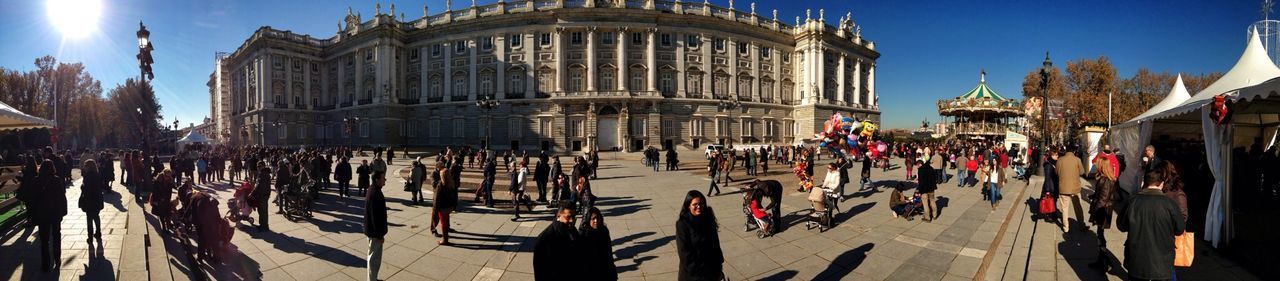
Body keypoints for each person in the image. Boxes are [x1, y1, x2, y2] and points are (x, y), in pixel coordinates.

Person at [1117, 169, 1185, 281]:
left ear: (1144, 182)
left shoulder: (1133, 201)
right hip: (1162, 261)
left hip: (1137, 259)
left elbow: (1121, 226)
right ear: (1161, 184)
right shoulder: (1169, 204)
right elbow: (1179, 229)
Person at [675, 190, 724, 281]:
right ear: (688, 206)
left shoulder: (708, 218)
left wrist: (719, 265)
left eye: (701, 203)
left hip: (711, 270)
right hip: (694, 274)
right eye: (695, 204)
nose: (699, 207)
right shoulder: (682, 224)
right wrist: (700, 271)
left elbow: (715, 244)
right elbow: (684, 253)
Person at [1088, 156, 1119, 272]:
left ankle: (1106, 262)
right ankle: (1101, 261)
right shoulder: (1106, 179)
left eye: (1097, 164)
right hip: (1104, 210)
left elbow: (1103, 199)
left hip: (1102, 211)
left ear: (1102, 166)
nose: (1095, 165)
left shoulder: (1105, 180)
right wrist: (1092, 196)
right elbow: (1102, 195)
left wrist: (1096, 213)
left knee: (1100, 237)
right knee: (1100, 235)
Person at [533, 205, 581, 281]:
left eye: (574, 217)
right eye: (568, 217)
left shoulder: (572, 230)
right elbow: (540, 269)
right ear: (558, 216)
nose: (572, 220)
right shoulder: (546, 238)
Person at [36, 160, 66, 272]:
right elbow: (62, 196)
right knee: (56, 236)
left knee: (44, 240)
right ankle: (57, 259)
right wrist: (63, 211)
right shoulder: (56, 180)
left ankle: (45, 263)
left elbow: (33, 199)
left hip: (42, 213)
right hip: (55, 213)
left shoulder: (37, 180)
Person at [579, 207, 617, 281]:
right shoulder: (583, 234)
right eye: (593, 219)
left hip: (604, 268)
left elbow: (608, 252)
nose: (596, 221)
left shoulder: (604, 231)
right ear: (589, 220)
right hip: (590, 269)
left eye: (598, 218)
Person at [364, 172, 389, 281]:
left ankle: (373, 278)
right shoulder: (375, 194)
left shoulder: (373, 190)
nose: (385, 179)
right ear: (377, 180)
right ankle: (372, 279)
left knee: (373, 257)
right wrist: (380, 235)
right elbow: (376, 217)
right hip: (375, 233)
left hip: (372, 231)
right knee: (374, 258)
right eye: (383, 178)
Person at [1056, 147, 1085, 233]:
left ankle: (1066, 227)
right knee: (1078, 207)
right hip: (1075, 188)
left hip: (1063, 188)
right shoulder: (1077, 160)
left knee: (1064, 209)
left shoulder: (1060, 160)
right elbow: (1082, 172)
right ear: (1073, 152)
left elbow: (1056, 172)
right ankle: (1081, 225)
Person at [79, 159, 105, 244]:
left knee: (89, 218)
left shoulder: (87, 176)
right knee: (96, 216)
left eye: (85, 166)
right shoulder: (97, 175)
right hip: (97, 199)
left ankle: (90, 237)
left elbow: (86, 189)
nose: (84, 167)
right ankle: (98, 232)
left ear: (88, 167)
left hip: (89, 200)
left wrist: (82, 187)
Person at [431, 162, 457, 244]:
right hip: (449, 206)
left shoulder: (440, 185)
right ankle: (444, 236)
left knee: (443, 223)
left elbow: (436, 198)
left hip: (442, 207)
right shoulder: (451, 183)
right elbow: (455, 196)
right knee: (445, 221)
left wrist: (435, 209)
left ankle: (445, 240)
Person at [252, 165, 272, 231]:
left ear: (261, 167)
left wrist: (252, 193)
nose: (257, 168)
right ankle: (263, 225)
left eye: (258, 166)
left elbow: (258, 186)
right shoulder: (266, 174)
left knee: (262, 211)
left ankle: (264, 226)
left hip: (262, 195)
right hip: (265, 195)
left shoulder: (262, 175)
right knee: (263, 211)